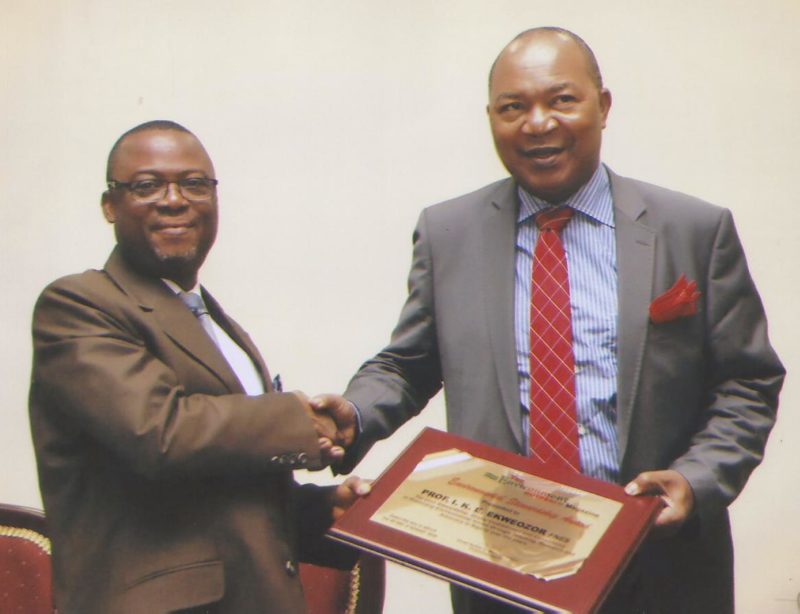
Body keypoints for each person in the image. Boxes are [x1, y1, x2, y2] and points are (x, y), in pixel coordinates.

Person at [325, 27, 785, 613]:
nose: (537, 123)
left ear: (603, 105)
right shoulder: (449, 234)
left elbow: (746, 382)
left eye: (561, 100)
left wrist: (696, 480)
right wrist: (354, 412)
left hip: (659, 563)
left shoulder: (691, 230)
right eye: (513, 107)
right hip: (498, 566)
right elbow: (408, 363)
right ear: (491, 117)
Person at [29, 120, 367, 614]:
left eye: (193, 184)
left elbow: (225, 492)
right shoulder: (78, 305)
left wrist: (321, 511)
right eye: (147, 186)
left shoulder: (216, 323)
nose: (174, 200)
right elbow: (161, 433)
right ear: (110, 206)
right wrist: (298, 419)